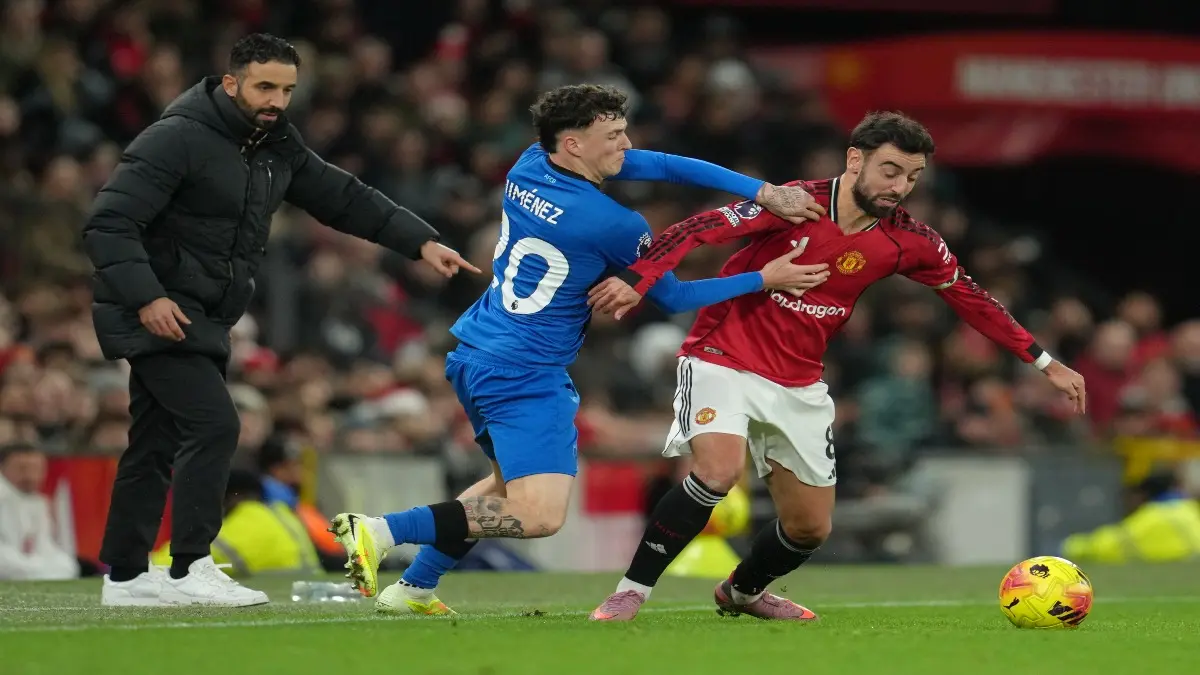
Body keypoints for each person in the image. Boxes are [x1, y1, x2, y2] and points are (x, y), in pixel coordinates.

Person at [330, 83, 830, 615]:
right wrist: (763, 277)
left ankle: (414, 588)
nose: (626, 144)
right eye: (613, 136)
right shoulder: (616, 226)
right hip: (525, 371)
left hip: (476, 353)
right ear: (573, 144)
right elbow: (677, 296)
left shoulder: (526, 166)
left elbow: (659, 164)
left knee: (502, 487)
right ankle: (379, 530)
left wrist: (760, 191)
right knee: (540, 515)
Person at [587, 111, 1088, 621]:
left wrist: (1045, 362)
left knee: (809, 529)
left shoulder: (908, 240)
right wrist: (637, 278)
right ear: (855, 159)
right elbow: (697, 229)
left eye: (912, 177)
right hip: (723, 356)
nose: (900, 187)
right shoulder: (794, 203)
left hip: (799, 379)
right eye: (891, 171)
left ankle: (740, 592)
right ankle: (631, 590)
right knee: (718, 471)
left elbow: (971, 297)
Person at [83, 33, 475, 608]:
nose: (277, 99)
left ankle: (124, 578)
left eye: (287, 89)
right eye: (265, 86)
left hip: (203, 316)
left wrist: (418, 242)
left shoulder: (273, 143)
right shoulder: (176, 138)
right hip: (162, 310)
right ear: (231, 82)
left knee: (155, 441)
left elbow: (342, 196)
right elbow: (108, 222)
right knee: (214, 426)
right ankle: (189, 566)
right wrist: (146, 297)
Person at [0, 443, 80, 581]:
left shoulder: (39, 503)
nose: (30, 475)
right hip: (10, 565)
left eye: (36, 469)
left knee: (68, 564)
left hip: (28, 566)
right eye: (22, 468)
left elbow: (45, 547)